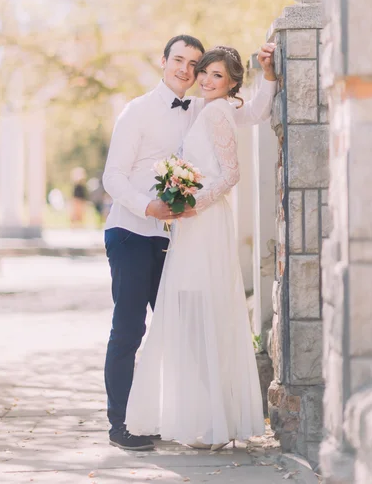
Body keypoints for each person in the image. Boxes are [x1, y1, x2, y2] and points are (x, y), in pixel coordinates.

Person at [103, 35, 276, 451]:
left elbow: (251, 112)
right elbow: (113, 176)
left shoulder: (203, 105)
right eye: (178, 60)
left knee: (185, 327)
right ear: (164, 61)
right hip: (132, 232)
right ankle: (121, 424)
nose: (186, 70)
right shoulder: (137, 110)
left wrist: (268, 76)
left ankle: (204, 416)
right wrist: (148, 208)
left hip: (178, 238)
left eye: (194, 64)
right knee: (130, 329)